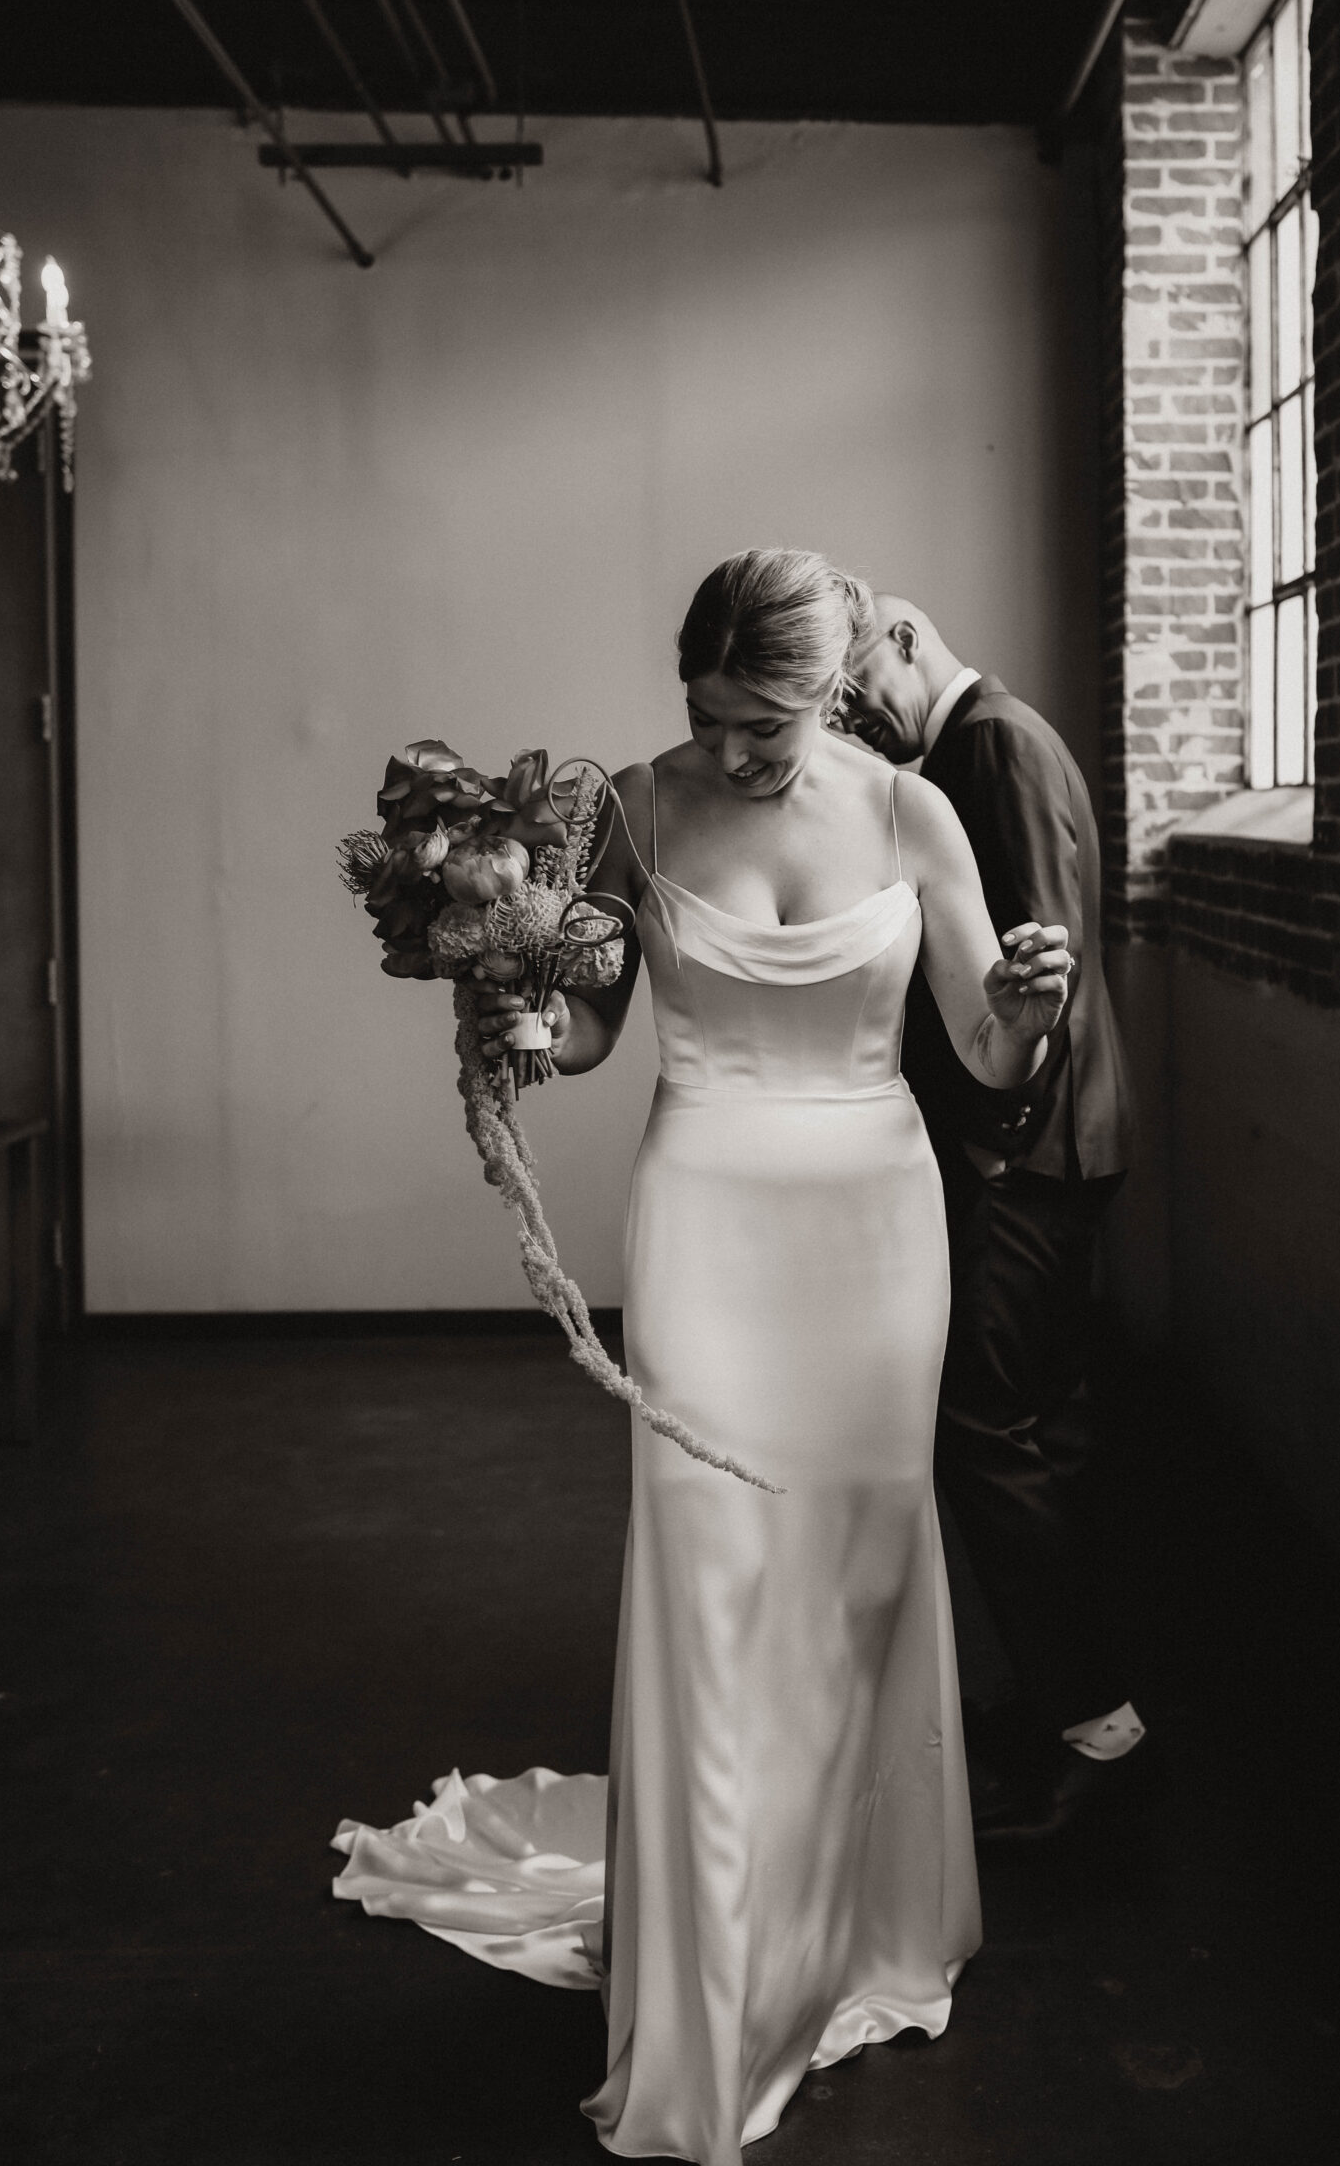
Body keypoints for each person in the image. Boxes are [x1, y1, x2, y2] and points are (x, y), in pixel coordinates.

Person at [330, 550, 1074, 2166]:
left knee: (858, 1577)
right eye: (708, 717)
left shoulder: (912, 815)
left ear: (827, 694)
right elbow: (595, 1025)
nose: (733, 752)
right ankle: (715, 1975)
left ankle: (855, 1919)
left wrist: (1034, 997)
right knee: (712, 1576)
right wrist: (526, 1022)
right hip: (706, 1222)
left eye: (763, 723)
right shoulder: (631, 809)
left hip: (877, 1233)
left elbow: (985, 1049)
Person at [841, 596, 1138, 1845]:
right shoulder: (975, 743)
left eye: (859, 683)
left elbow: (1033, 970)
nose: (855, 715)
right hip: (1059, 1149)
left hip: (1029, 1153)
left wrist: (993, 1150)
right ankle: (1067, 1707)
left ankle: (1094, 1727)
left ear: (907, 635)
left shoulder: (993, 748)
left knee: (976, 1427)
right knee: (1042, 1431)